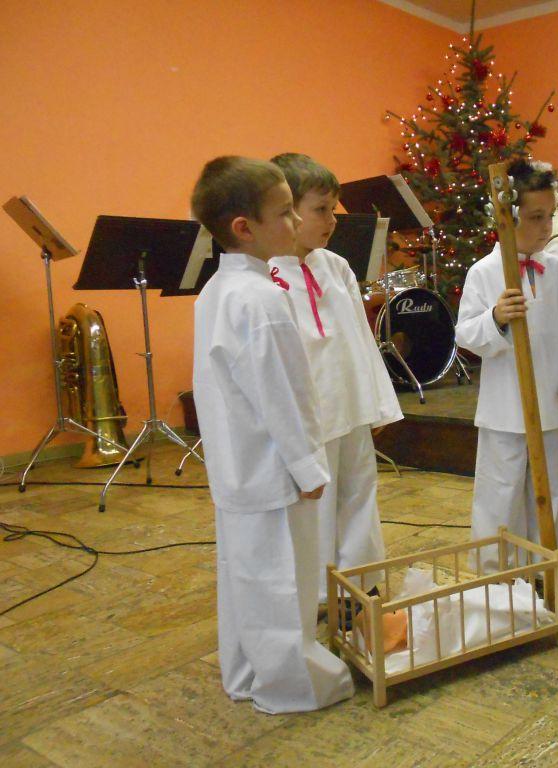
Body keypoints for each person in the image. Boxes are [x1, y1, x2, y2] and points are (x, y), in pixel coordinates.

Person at [191, 156, 352, 713]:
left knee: (246, 576)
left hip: (237, 467)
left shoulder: (217, 290)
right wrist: (308, 466)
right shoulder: (262, 299)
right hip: (273, 470)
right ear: (244, 227)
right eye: (285, 212)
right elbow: (283, 397)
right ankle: (292, 685)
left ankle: (244, 673)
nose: (295, 222)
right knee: (285, 581)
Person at [267, 153, 402, 608]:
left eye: (333, 209)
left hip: (350, 404)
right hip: (311, 414)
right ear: (287, 211)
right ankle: (322, 590)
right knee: (318, 506)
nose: (332, 220)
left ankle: (362, 578)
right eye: (320, 210)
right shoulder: (267, 276)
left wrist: (378, 404)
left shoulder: (336, 266)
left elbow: (361, 338)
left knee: (360, 491)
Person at [455, 159, 558, 575]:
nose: (546, 227)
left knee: (553, 490)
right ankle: (497, 571)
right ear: (506, 218)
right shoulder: (484, 272)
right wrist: (495, 318)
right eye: (536, 217)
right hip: (505, 405)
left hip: (551, 399)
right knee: (501, 489)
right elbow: (465, 334)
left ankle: (549, 567)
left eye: (550, 216)